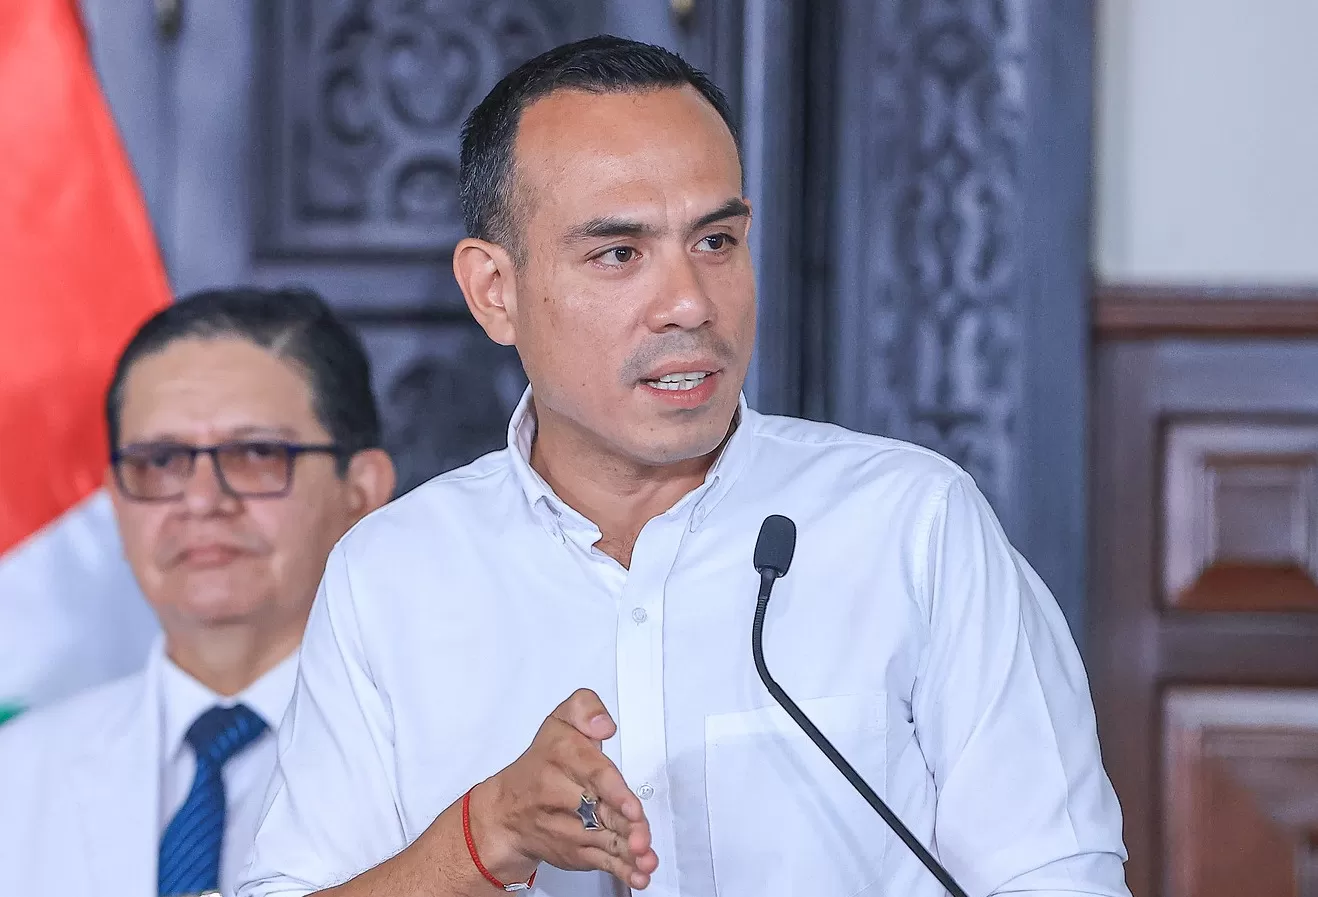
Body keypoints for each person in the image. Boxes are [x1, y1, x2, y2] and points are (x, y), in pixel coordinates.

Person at [239, 36, 1130, 897]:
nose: (690, 304)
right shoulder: (391, 573)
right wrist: (485, 835)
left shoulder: (914, 526)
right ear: (494, 291)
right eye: (619, 253)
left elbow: (1055, 877)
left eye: (716, 242)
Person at [0, 288, 396, 897]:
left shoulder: (462, 768)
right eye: (160, 462)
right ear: (116, 501)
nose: (203, 501)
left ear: (361, 491)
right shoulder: (16, 772)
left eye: (256, 454)